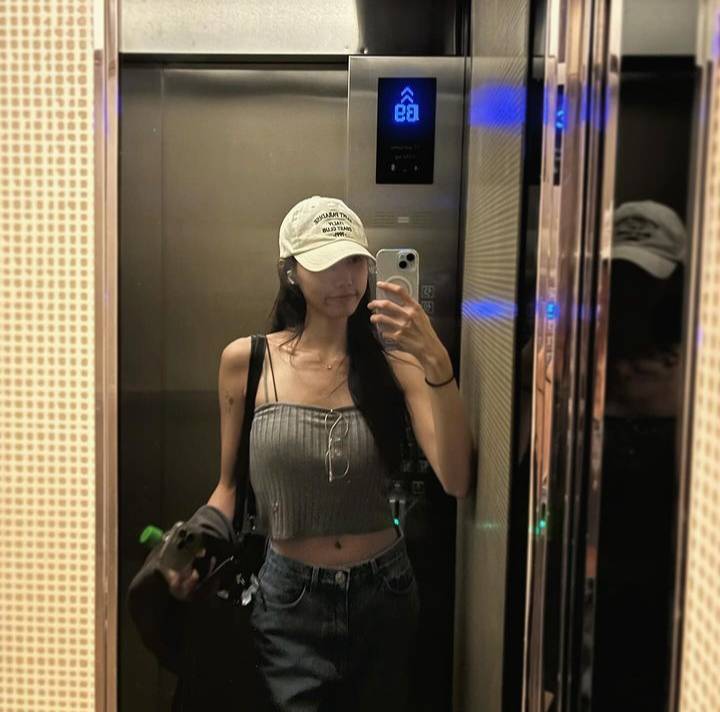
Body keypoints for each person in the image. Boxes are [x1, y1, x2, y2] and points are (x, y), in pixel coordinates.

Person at [167, 195, 474, 711]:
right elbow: (229, 486)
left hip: (385, 592)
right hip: (287, 599)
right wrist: (193, 547)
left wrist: (437, 363)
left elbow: (457, 478)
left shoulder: (396, 366)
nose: (345, 278)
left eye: (354, 261)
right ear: (291, 273)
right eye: (326, 263)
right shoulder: (247, 362)